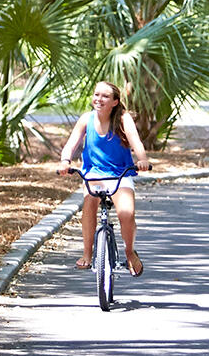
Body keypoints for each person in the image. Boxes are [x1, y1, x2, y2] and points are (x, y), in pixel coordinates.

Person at [58, 79, 149, 276]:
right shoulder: (86, 119)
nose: (99, 99)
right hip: (94, 173)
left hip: (119, 173)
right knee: (89, 203)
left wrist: (142, 160)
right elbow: (71, 143)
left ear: (115, 101)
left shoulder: (123, 119)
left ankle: (129, 251)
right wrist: (65, 161)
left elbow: (135, 140)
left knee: (126, 213)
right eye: (97, 94)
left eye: (105, 96)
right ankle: (87, 254)